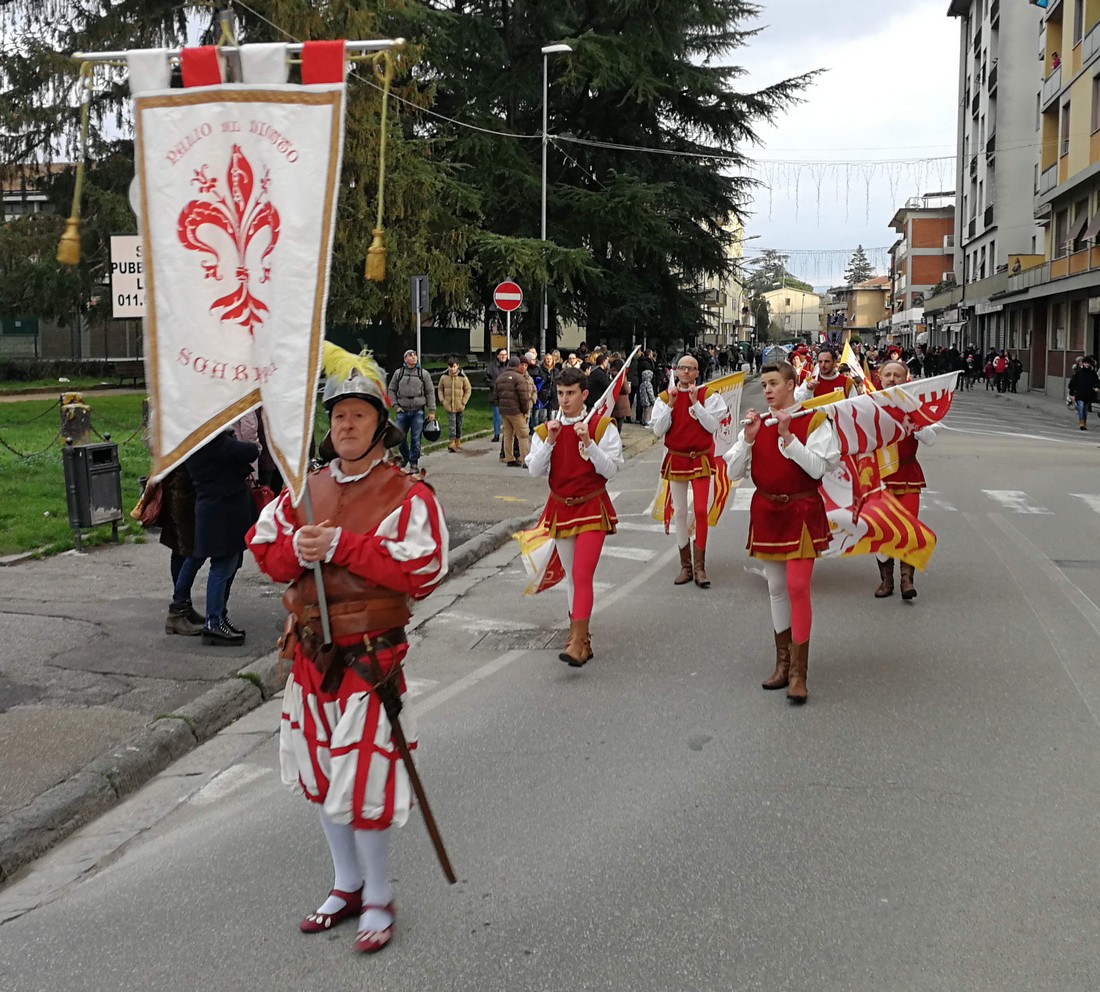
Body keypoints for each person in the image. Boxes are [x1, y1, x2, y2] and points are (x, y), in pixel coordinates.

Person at [247, 355, 448, 956]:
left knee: (361, 781)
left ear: (380, 425)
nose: (347, 425)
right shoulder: (303, 489)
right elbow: (265, 551)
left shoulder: (407, 493)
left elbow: (424, 568)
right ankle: (347, 884)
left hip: (371, 660)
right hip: (310, 654)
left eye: (359, 415)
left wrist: (344, 545)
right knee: (321, 775)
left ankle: (380, 894)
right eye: (339, 415)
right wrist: (299, 548)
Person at [724, 362, 840, 705]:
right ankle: (782, 663)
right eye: (764, 384)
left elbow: (819, 468)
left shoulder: (815, 421)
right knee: (775, 588)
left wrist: (788, 436)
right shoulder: (758, 425)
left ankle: (798, 674)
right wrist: (747, 439)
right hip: (767, 510)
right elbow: (732, 472)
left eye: (774, 383)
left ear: (792, 384)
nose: (768, 389)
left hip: (801, 510)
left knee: (797, 587)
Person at [526, 366, 623, 666]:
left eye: (570, 394)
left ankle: (577, 641)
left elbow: (612, 470)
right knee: (572, 576)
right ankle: (580, 639)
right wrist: (551, 442)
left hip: (592, 505)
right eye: (560, 394)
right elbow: (534, 470)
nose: (565, 400)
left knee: (582, 574)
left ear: (584, 394)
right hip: (561, 507)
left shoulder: (603, 426)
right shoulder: (545, 430)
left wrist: (590, 445)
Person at [649, 353, 729, 588]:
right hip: (678, 458)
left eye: (691, 368)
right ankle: (685, 566)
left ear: (697, 372)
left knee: (702, 510)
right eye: (682, 368)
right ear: (675, 371)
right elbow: (658, 430)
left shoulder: (709, 396)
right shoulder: (664, 398)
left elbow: (712, 426)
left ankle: (700, 567)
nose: (685, 372)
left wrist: (695, 403)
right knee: (681, 511)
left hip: (701, 458)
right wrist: (672, 405)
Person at [186, 427, 260, 645]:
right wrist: (231, 437)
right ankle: (214, 621)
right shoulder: (214, 442)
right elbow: (251, 451)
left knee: (229, 564)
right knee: (222, 566)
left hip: (219, 510)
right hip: (222, 512)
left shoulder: (196, 441)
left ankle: (218, 617)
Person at [873, 360, 938, 600]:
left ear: (905, 379)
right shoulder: (870, 404)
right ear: (880, 377)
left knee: (908, 528)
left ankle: (906, 580)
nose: (892, 379)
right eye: (887, 374)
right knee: (882, 530)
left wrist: (914, 421)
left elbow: (930, 438)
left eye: (897, 375)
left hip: (908, 475)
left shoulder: (915, 406)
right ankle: (886, 580)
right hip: (879, 478)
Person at [159, 466, 206, 636]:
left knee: (180, 550)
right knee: (195, 552)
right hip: (184, 494)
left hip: (179, 490)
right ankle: (178, 610)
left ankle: (184, 606)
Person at [387, 350, 436, 473]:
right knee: (399, 437)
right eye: (410, 355)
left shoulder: (423, 373)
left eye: (414, 355)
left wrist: (432, 410)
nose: (413, 357)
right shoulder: (399, 373)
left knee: (416, 438)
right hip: (402, 410)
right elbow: (391, 389)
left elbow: (430, 391)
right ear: (405, 359)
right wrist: (395, 405)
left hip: (417, 411)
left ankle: (414, 462)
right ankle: (405, 456)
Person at [495, 356, 533, 466]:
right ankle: (525, 459)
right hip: (516, 412)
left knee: (507, 435)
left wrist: (501, 407)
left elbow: (495, 396)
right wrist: (525, 410)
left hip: (504, 411)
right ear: (517, 365)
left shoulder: (500, 377)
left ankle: (509, 458)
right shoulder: (519, 378)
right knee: (523, 435)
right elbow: (524, 397)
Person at [795, 346, 860, 401]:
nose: (823, 365)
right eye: (820, 362)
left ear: (835, 362)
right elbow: (798, 404)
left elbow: (854, 407)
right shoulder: (809, 382)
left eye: (827, 361)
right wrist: (808, 391)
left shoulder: (847, 383)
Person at [437, 356, 471, 452]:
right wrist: (443, 400)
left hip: (459, 404)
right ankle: (452, 442)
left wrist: (463, 401)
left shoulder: (463, 377)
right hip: (449, 404)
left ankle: (458, 440)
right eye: (450, 367)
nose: (452, 369)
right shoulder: (444, 377)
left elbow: (468, 390)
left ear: (458, 366)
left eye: (454, 367)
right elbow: (440, 389)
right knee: (451, 423)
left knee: (458, 423)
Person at [1068, 356, 1100, 430]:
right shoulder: (1079, 373)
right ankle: (1082, 424)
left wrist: (1097, 387)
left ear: (1090, 364)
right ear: (1083, 363)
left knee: (1085, 410)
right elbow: (1072, 384)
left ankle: (1084, 423)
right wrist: (1072, 394)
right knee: (1081, 408)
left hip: (1088, 395)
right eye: (1085, 363)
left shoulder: (1092, 374)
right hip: (1079, 394)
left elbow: (1097, 382)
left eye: (1088, 363)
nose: (1086, 364)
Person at [486, 347, 509, 442]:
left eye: (505, 355)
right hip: (496, 395)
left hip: (508, 396)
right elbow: (486, 379)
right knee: (497, 416)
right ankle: (496, 434)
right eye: (502, 355)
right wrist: (494, 385)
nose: (503, 357)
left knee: (508, 417)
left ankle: (507, 434)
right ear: (498, 356)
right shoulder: (491, 367)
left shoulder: (510, 366)